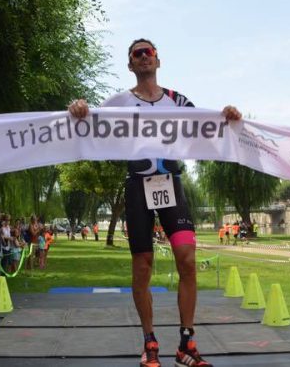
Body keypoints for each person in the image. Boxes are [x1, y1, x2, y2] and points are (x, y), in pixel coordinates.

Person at [68, 38, 241, 367]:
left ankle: (186, 344)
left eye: (149, 52)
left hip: (171, 183)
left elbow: (208, 127)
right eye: (137, 54)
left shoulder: (177, 100)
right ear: (130, 65)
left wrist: (227, 116)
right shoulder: (118, 101)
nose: (144, 57)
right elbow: (87, 124)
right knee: (143, 265)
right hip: (137, 187)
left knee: (187, 260)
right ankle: (150, 341)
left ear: (158, 61)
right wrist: (78, 108)